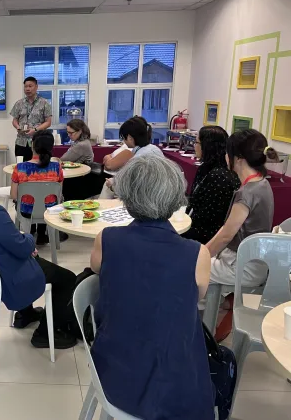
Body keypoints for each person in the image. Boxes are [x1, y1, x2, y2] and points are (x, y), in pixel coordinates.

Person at [90, 155, 214, 419]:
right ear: (175, 196)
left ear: (127, 196)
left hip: (114, 366)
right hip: (174, 381)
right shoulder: (197, 254)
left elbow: (99, 270)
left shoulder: (107, 239)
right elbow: (196, 297)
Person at [0, 149, 78, 349]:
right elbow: (21, 248)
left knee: (26, 252)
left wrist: (20, 241)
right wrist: (29, 238)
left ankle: (25, 314)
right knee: (67, 278)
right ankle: (45, 334)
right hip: (7, 275)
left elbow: (2, 240)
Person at [207, 129, 277, 287]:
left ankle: (211, 309)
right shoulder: (263, 183)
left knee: (191, 268)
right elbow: (226, 231)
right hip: (254, 260)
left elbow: (226, 236)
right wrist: (205, 251)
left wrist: (203, 255)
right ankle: (218, 306)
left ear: (238, 159)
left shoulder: (247, 193)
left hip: (243, 265)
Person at [182, 126, 240, 244]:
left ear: (207, 146)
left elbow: (208, 221)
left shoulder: (220, 177)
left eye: (196, 142)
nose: (194, 146)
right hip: (196, 226)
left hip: (207, 237)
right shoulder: (205, 168)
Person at [11, 130, 63, 246]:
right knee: (48, 202)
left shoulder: (20, 168)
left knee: (27, 202)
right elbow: (58, 194)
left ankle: (30, 232)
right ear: (51, 147)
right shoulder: (57, 167)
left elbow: (14, 196)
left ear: (33, 145)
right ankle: (41, 234)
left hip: (26, 211)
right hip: (49, 211)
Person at [100, 116, 164, 199]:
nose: (123, 141)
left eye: (123, 138)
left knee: (108, 186)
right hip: (159, 193)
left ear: (130, 138)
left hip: (147, 197)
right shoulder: (155, 149)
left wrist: (113, 185)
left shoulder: (138, 158)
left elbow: (131, 187)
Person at [10, 77, 52, 162]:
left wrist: (35, 130)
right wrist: (18, 127)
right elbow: (14, 120)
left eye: (30, 86)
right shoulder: (19, 103)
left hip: (37, 142)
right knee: (21, 167)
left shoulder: (44, 103)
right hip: (21, 142)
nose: (27, 89)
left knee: (37, 167)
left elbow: (48, 122)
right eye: (25, 87)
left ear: (36, 87)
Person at [61, 119, 104, 200]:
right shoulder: (82, 142)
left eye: (71, 133)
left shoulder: (81, 145)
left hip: (79, 181)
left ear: (80, 131)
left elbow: (63, 160)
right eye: (67, 132)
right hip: (81, 178)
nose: (68, 135)